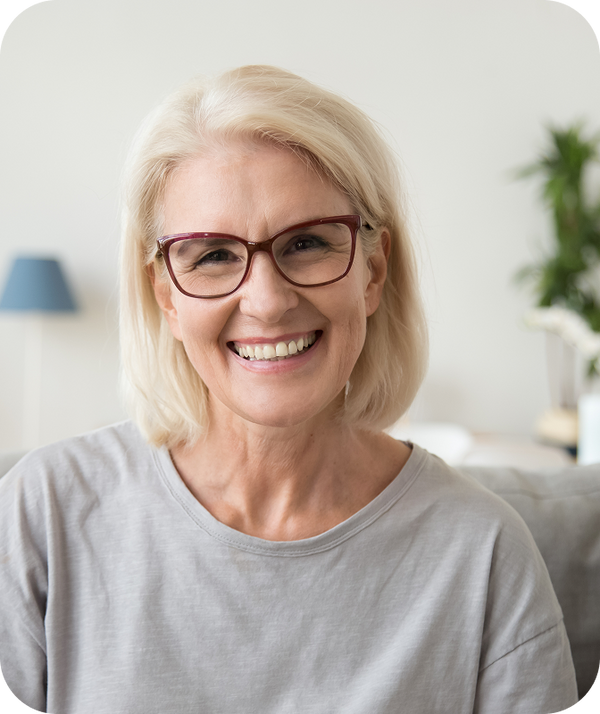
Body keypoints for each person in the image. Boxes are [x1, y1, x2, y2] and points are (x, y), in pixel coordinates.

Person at [0, 65, 578, 713]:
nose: (268, 302)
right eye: (213, 255)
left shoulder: (483, 552)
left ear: (373, 270)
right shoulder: (42, 514)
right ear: (166, 295)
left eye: (306, 243)